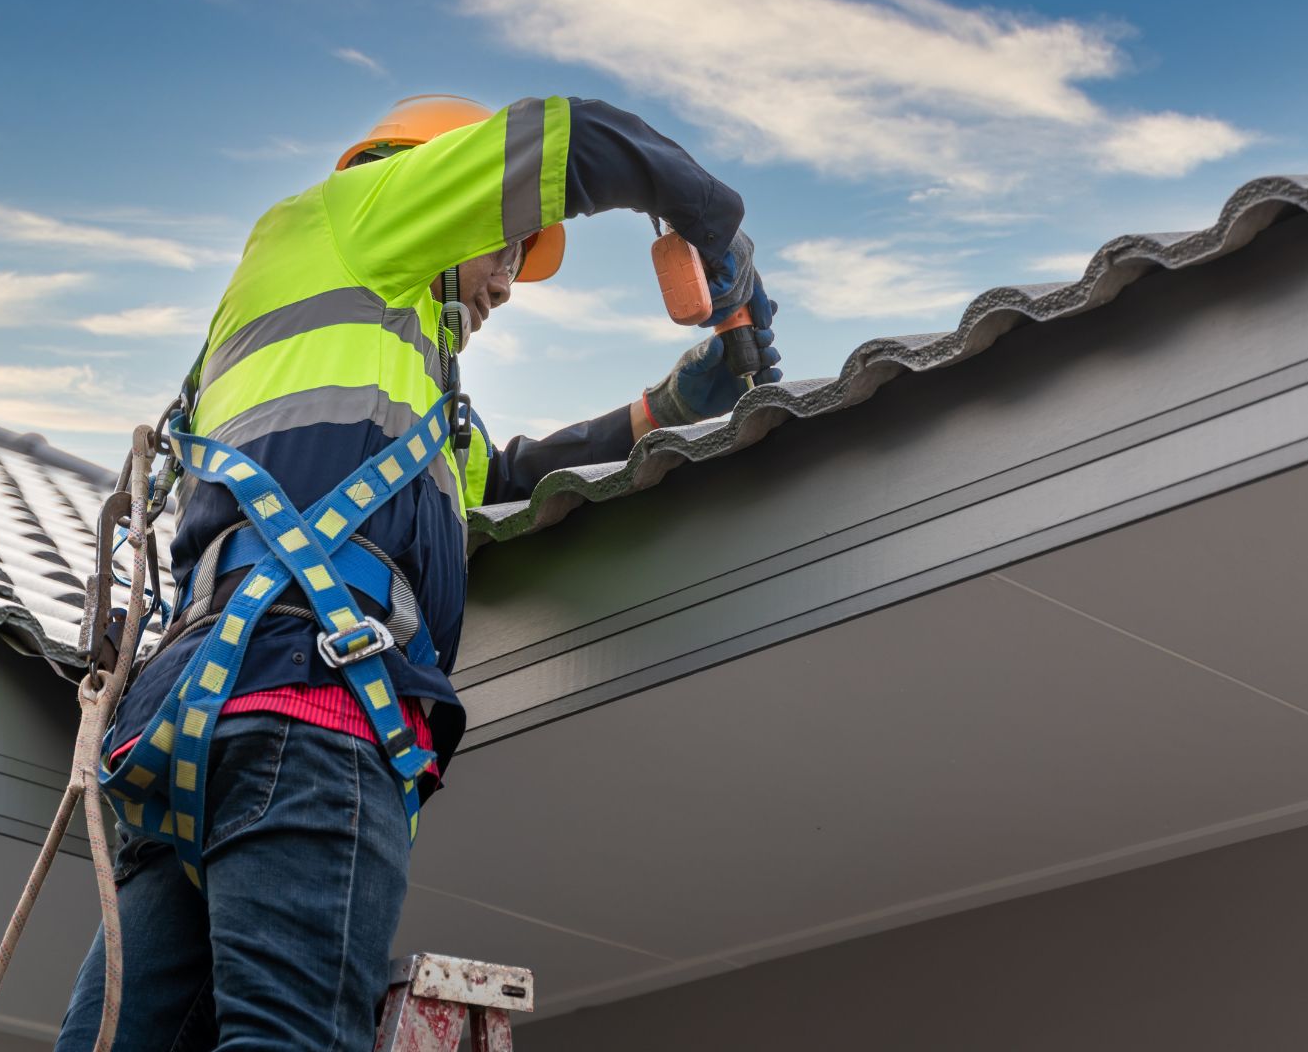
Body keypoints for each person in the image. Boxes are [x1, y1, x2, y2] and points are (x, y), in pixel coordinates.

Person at [54, 93, 781, 1051]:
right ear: (444, 187)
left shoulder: (376, 370)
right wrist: (715, 223)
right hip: (309, 706)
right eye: (511, 247)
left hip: (193, 729)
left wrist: (668, 407)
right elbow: (579, 136)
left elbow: (511, 476)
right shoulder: (357, 213)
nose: (510, 285)